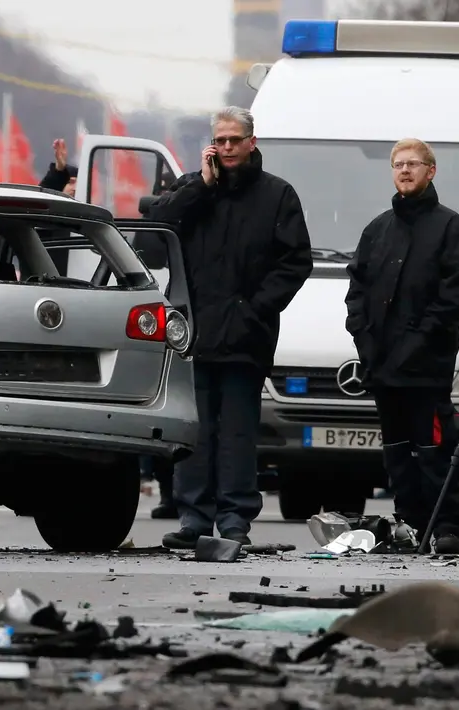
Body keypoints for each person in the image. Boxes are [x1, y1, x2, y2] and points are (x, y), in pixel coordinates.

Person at [144, 106, 313, 548]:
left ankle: (235, 522)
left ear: (252, 142)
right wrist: (200, 186)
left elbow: (295, 262)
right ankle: (193, 520)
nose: (227, 148)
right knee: (193, 432)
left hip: (246, 337)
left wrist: (254, 308)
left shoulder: (277, 195)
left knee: (238, 434)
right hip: (195, 336)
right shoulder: (193, 190)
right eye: (219, 140)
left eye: (235, 140)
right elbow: (154, 234)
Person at [345, 138, 459, 556]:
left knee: (434, 449)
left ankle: (446, 527)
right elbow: (357, 291)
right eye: (398, 164)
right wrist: (364, 340)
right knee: (397, 452)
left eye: (413, 164)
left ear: (430, 171)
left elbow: (458, 293)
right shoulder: (378, 229)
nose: (404, 171)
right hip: (382, 366)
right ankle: (409, 524)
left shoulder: (451, 228)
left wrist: (419, 340)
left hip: (427, 366)